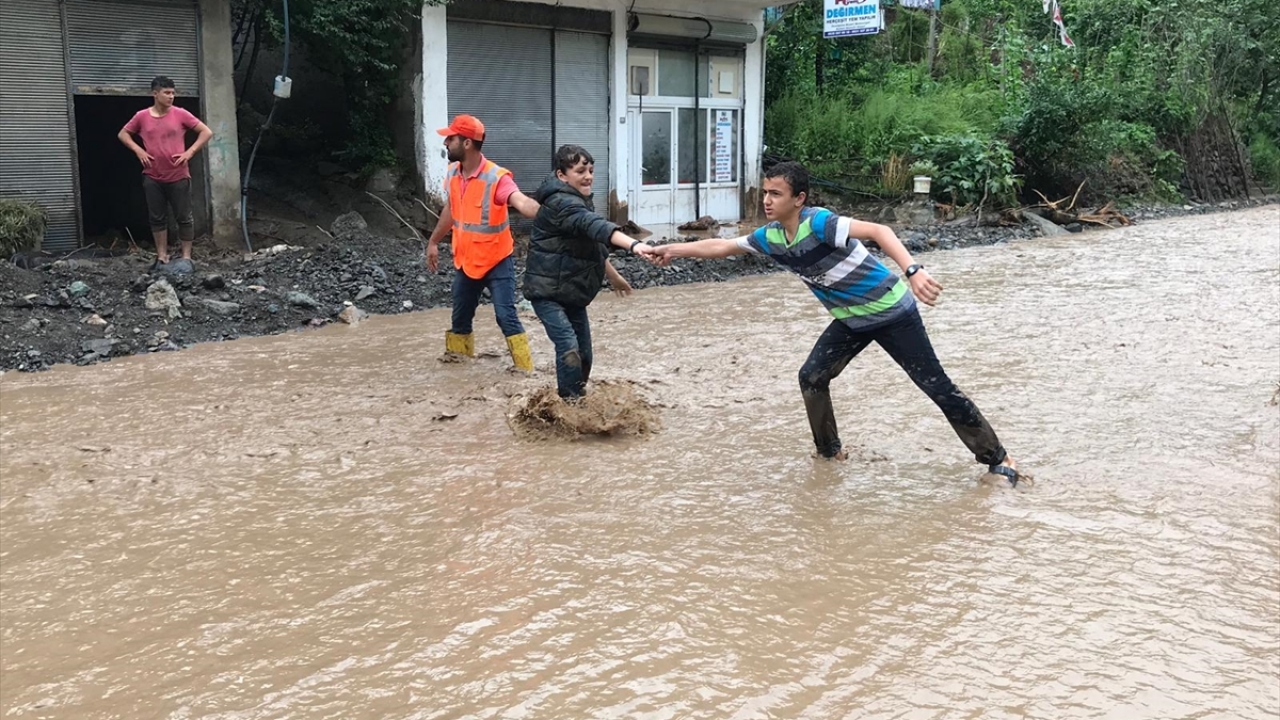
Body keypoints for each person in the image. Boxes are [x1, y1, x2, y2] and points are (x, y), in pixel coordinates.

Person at [650, 161, 1025, 486]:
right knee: (811, 377)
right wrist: (671, 249)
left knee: (935, 386)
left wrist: (913, 270)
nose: (766, 200)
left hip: (892, 312)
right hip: (851, 320)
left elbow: (880, 232)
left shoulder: (819, 223)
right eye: (765, 192)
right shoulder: (772, 237)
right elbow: (722, 246)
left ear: (799, 199)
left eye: (776, 194)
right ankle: (830, 453)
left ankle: (999, 459)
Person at [524, 145, 658, 399]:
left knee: (585, 356)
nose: (588, 176)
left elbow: (592, 242)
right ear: (562, 175)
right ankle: (569, 407)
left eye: (591, 171)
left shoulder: (578, 200)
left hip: (571, 292)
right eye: (580, 171)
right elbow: (595, 226)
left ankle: (578, 399)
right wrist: (634, 244)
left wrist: (613, 275)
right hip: (546, 293)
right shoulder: (561, 203)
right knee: (569, 349)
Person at [425, 115, 541, 371]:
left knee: (505, 316)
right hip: (467, 262)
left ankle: (526, 372)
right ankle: (458, 372)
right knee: (460, 320)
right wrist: (433, 241)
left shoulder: (496, 177)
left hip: (497, 261)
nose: (445, 143)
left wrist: (546, 212)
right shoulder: (453, 173)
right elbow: (451, 210)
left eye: (451, 138)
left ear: (467, 143)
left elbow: (520, 201)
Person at [117, 76, 213, 264]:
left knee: (184, 217)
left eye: (173, 93)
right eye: (167, 93)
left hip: (178, 174)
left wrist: (190, 152)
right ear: (155, 94)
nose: (171, 96)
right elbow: (123, 134)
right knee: (157, 218)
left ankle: (186, 256)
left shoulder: (180, 114)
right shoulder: (141, 116)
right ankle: (162, 255)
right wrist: (138, 150)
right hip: (152, 175)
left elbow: (206, 132)